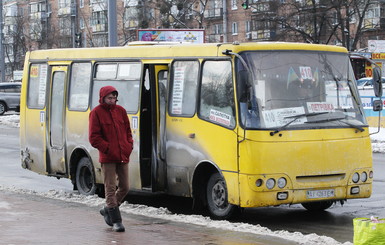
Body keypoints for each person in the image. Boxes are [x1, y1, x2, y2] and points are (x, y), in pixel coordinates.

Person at [89, 86, 134, 232]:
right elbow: (94, 138)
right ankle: (116, 220)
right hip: (108, 157)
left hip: (123, 155)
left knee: (125, 186)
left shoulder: (120, 111)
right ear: (102, 98)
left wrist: (128, 145)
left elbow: (128, 131)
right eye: (109, 98)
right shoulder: (96, 113)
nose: (112, 100)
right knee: (110, 187)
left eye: (114, 98)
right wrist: (108, 148)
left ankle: (108, 208)